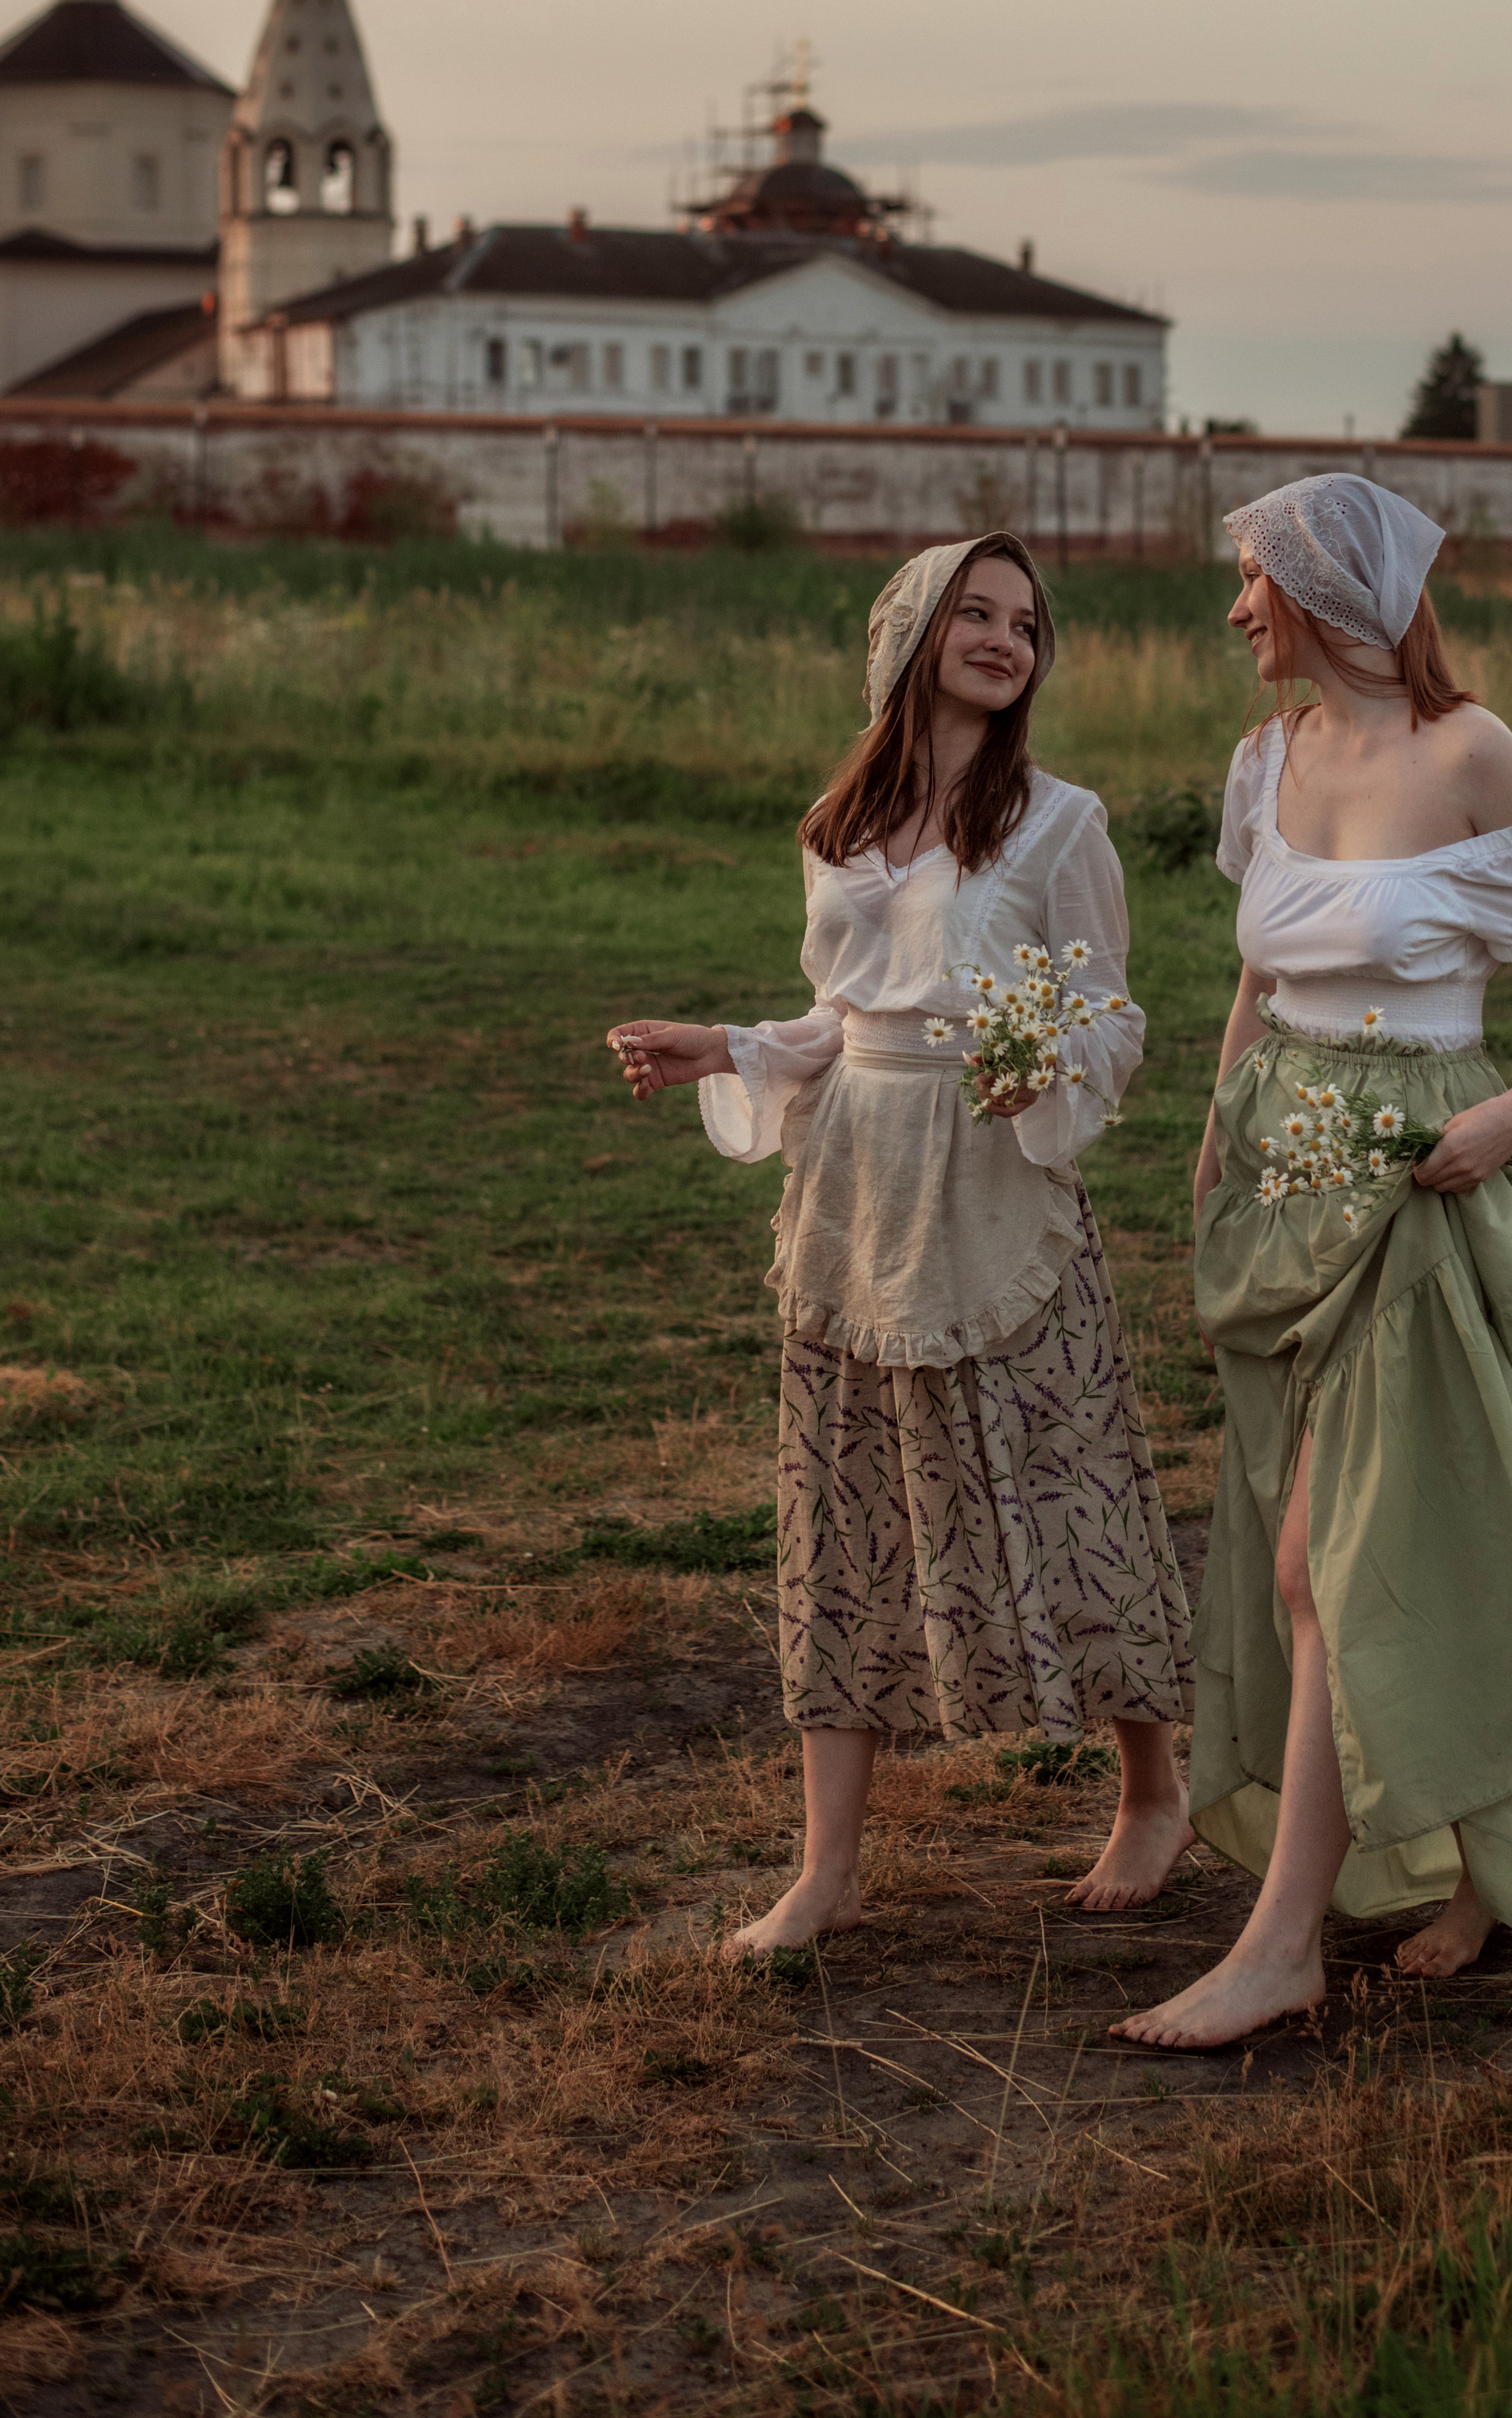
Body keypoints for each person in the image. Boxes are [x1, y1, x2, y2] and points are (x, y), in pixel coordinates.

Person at [609, 532, 1194, 1957]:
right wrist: (728, 1045)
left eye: (1028, 624)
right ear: (918, 631)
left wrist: (1041, 1065)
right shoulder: (836, 824)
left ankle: (1155, 1790)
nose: (1007, 639)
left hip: (993, 1175)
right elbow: (847, 1018)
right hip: (859, 1183)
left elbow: (1113, 1018)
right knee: (842, 1503)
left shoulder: (1061, 825)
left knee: (1065, 1483)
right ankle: (826, 1870)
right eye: (979, 614)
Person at [1113, 473, 1512, 2052]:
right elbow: (1260, 969)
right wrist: (1213, 1128)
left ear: (1325, 591)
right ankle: (1456, 1861)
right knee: (1346, 1545)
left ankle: (1280, 1946)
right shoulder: (1263, 759)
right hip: (1281, 1170)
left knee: (1333, 1549)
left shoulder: (1467, 752)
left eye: (1250, 582)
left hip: (1418, 1170)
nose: (1232, 610)